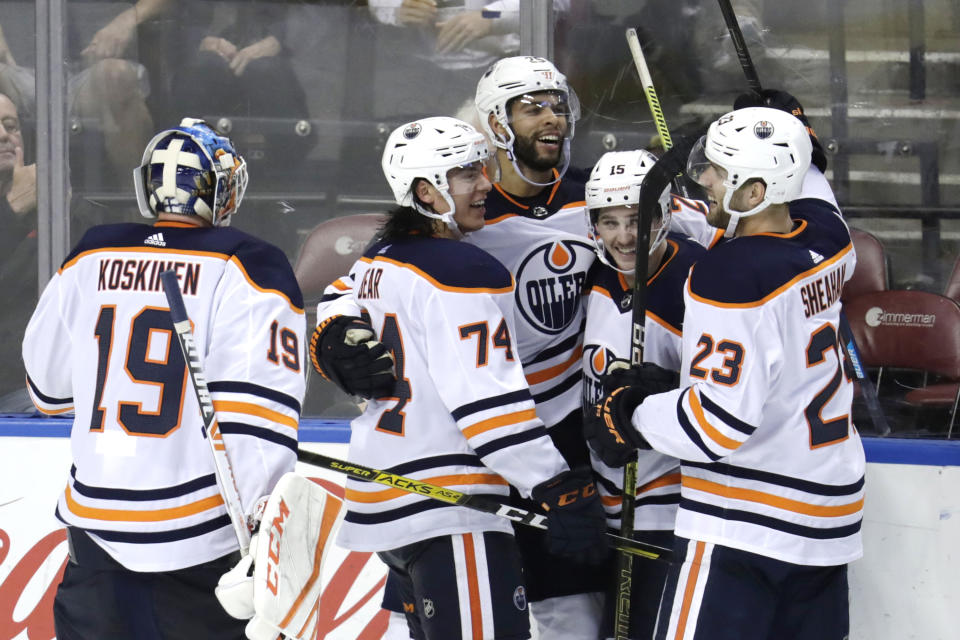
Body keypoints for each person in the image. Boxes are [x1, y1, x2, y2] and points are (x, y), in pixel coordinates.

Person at [310, 115, 607, 640]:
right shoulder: (464, 271)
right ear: (427, 191)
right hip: (454, 506)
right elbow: (488, 406)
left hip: (390, 495)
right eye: (467, 175)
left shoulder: (382, 258)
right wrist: (554, 484)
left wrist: (329, 330)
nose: (486, 186)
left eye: (482, 169)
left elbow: (339, 295)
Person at [22, 118, 306, 639]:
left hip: (96, 525)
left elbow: (48, 389)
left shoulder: (89, 255)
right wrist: (263, 534)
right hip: (199, 536)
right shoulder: (250, 266)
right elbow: (256, 425)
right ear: (222, 190)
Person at [589, 103, 864, 640]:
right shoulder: (831, 240)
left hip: (746, 527)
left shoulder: (729, 275)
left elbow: (716, 425)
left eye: (719, 170)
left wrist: (632, 413)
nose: (705, 180)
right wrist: (783, 128)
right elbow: (811, 189)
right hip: (827, 518)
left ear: (757, 192)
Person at [467, 54, 608, 638]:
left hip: (584, 426)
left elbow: (701, 234)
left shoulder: (597, 196)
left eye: (557, 105)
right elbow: (376, 275)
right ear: (498, 124)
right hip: (500, 427)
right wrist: (339, 330)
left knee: (577, 605)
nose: (551, 118)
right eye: (532, 108)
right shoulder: (468, 211)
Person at [581, 149, 705, 640]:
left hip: (666, 501)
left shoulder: (697, 279)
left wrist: (660, 397)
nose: (624, 237)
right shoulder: (596, 274)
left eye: (636, 219)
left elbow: (723, 395)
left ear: (664, 212)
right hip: (602, 500)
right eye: (609, 221)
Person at [0, 92, 37, 406]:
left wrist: (64, 209)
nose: (3, 135)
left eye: (10, 125)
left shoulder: (47, 198)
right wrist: (10, 211)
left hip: (27, 387)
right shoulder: (19, 205)